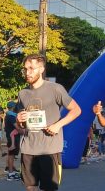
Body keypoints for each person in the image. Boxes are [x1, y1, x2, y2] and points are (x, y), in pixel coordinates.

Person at [16, 54, 81, 191]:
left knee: (49, 188)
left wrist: (58, 125)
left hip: (49, 149)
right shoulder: (23, 93)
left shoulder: (55, 89)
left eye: (31, 68)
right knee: (30, 188)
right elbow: (22, 125)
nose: (27, 72)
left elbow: (76, 110)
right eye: (25, 69)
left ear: (41, 69)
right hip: (28, 148)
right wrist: (19, 120)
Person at [4, 101, 20, 181]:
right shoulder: (11, 116)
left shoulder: (10, 115)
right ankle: (10, 174)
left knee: (12, 155)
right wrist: (23, 130)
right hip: (12, 138)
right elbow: (16, 126)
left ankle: (12, 172)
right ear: (13, 107)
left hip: (12, 137)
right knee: (11, 155)